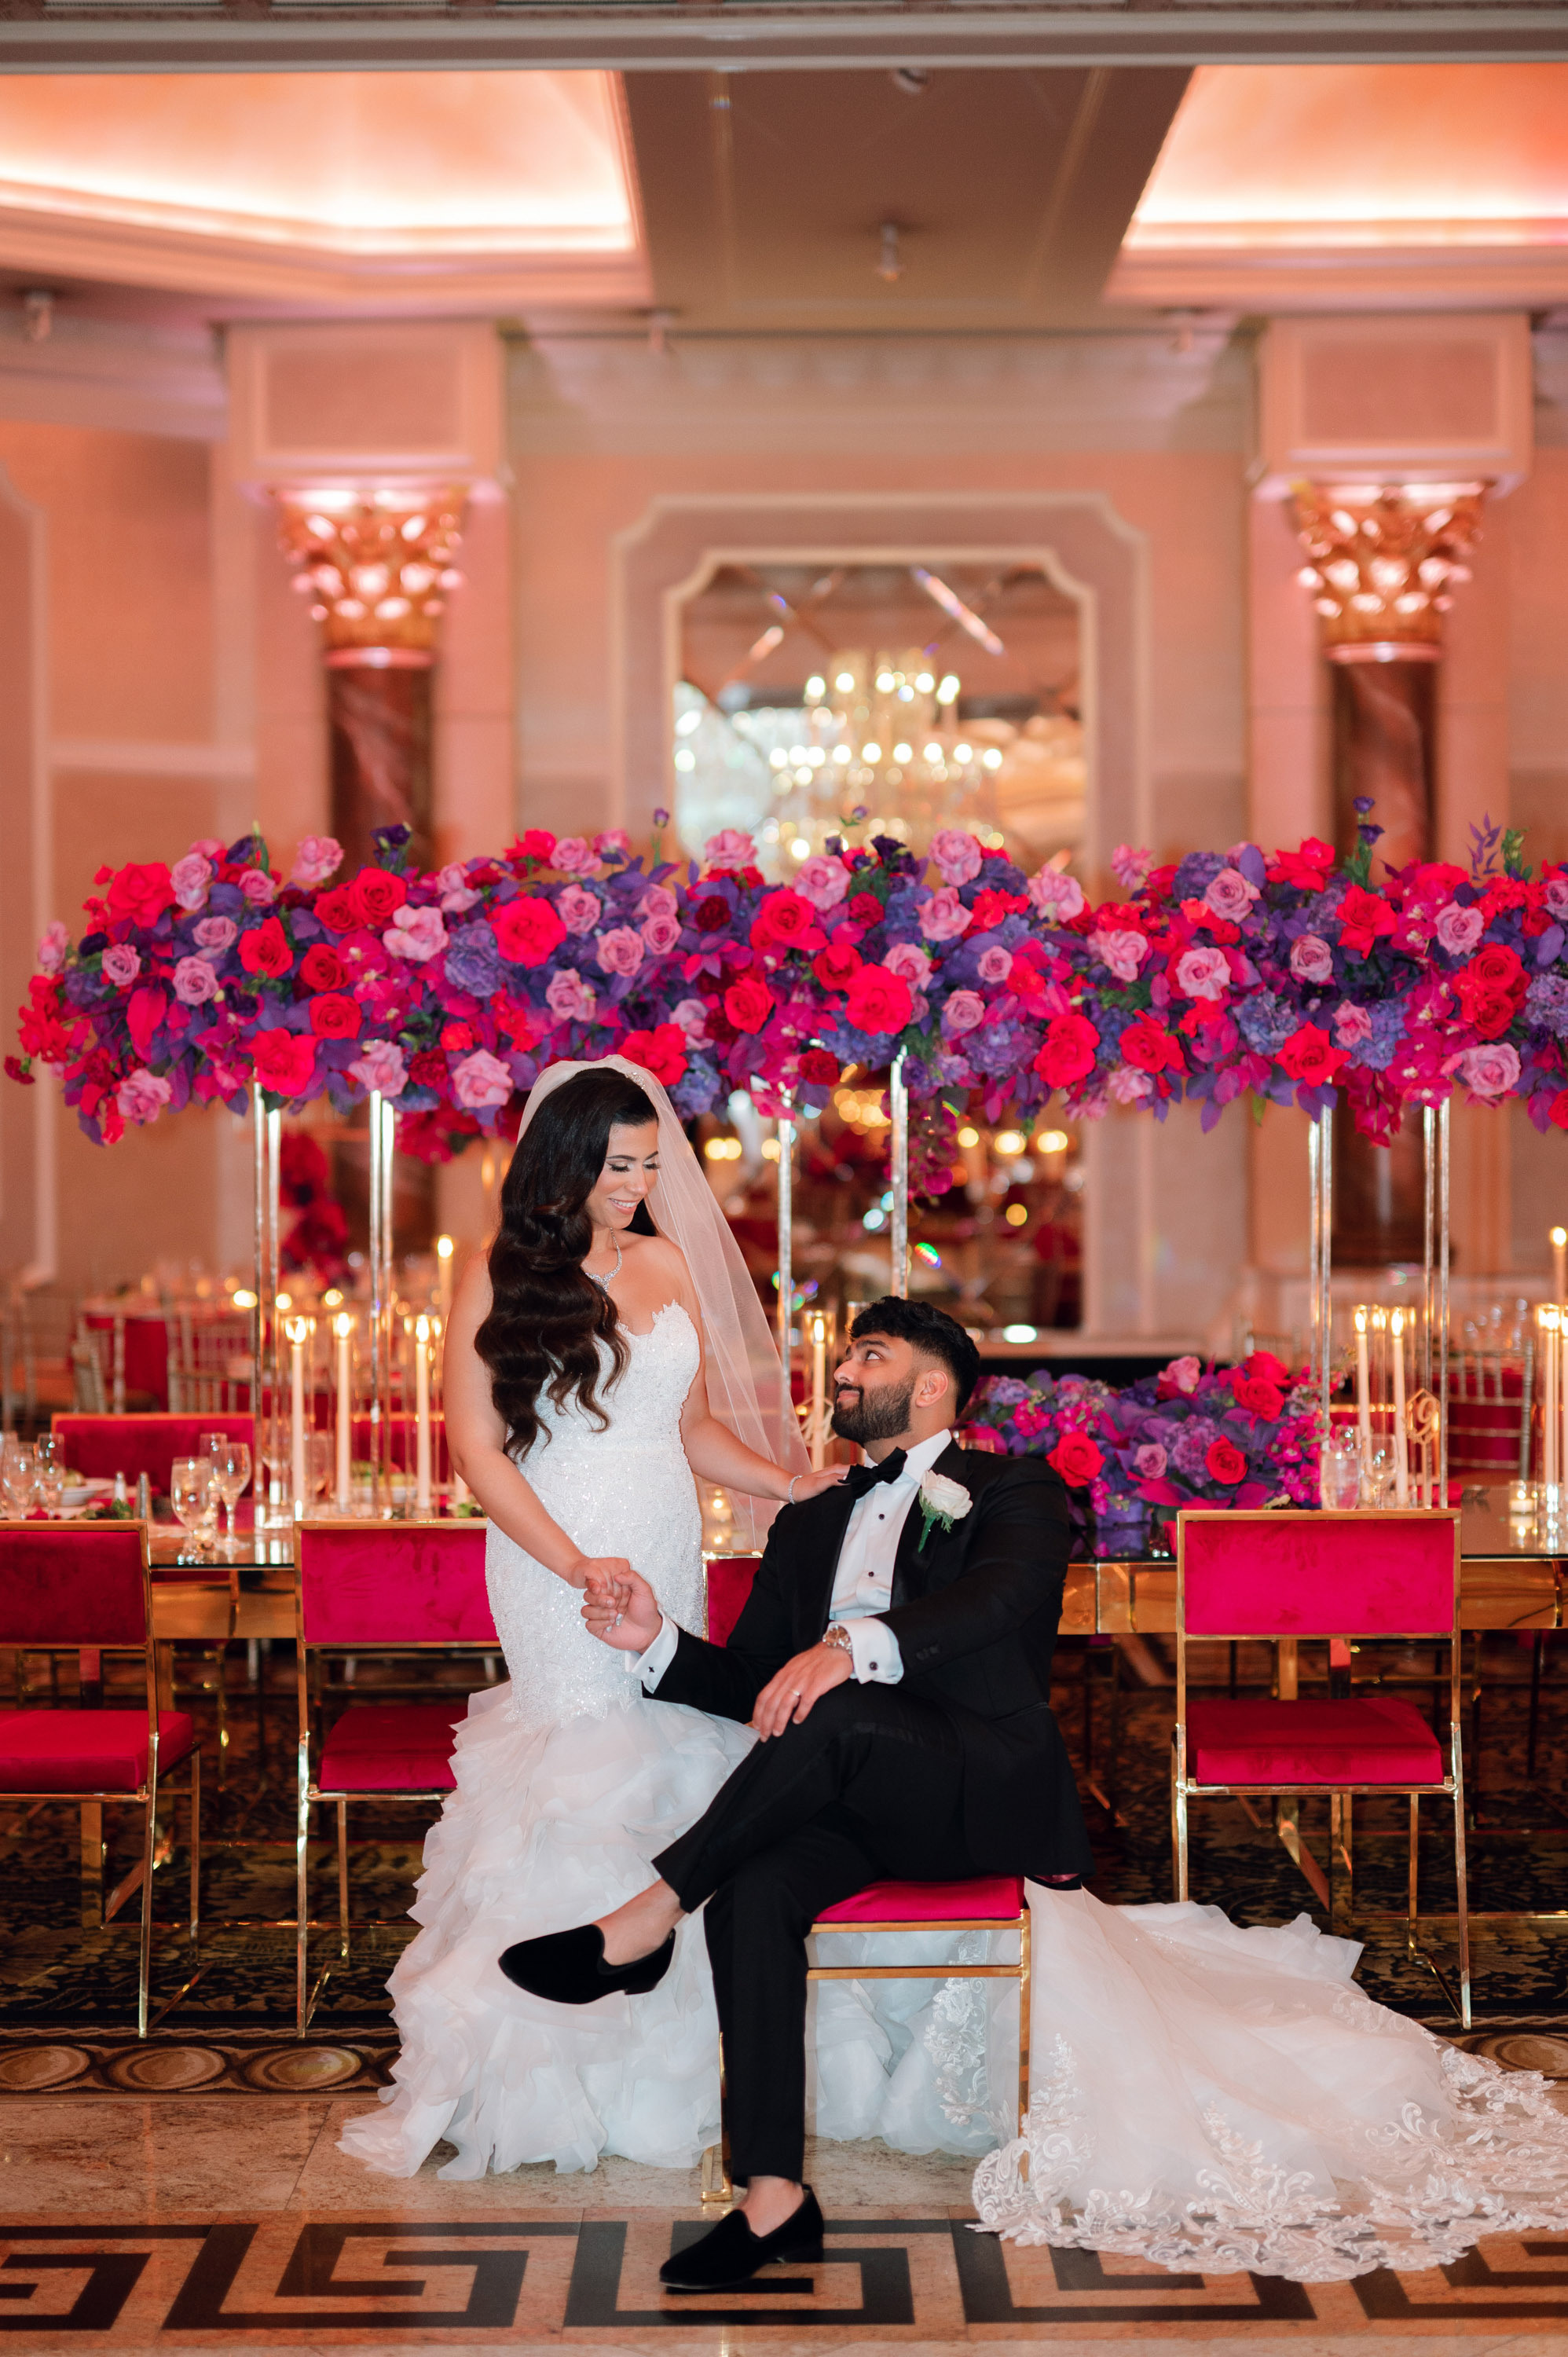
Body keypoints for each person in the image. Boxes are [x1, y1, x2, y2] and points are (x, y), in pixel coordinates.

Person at [504, 1294, 1094, 2287]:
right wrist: (656, 1642)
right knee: (753, 1892)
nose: (843, 1375)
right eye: (844, 1358)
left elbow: (998, 1598)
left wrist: (850, 1648)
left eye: (869, 1355)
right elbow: (756, 1684)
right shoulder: (810, 1516)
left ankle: (648, 1915)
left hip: (973, 1790)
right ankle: (773, 2196)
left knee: (844, 1703)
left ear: (934, 1385)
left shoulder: (1012, 1489)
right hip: (849, 1798)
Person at [339, 1057, 844, 2180]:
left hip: (664, 1543)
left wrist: (788, 1485)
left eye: (652, 1165)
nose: (637, 1184)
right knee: (582, 1767)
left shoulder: (664, 1259)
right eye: (619, 1167)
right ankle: (541, 2072)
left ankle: (671, 2053)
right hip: (551, 1551)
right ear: (565, 1162)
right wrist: (575, 1566)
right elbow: (476, 1450)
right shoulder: (501, 1270)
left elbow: (690, 1428)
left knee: (676, 1750)